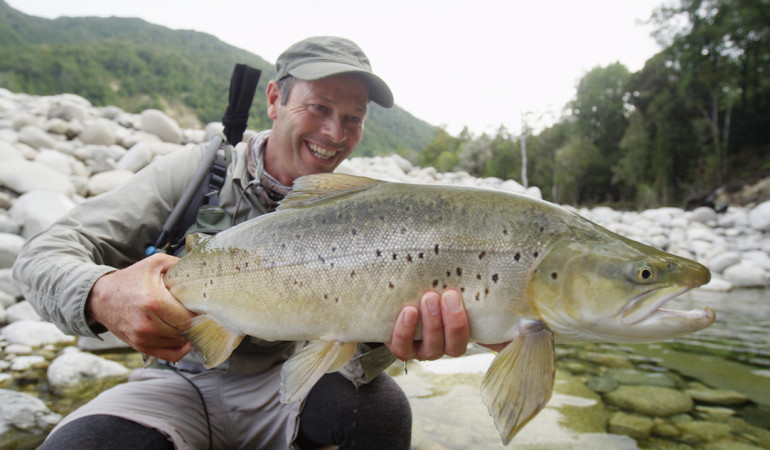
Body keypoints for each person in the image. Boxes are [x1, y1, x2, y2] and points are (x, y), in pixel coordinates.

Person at [13, 36, 488, 449]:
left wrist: (392, 343)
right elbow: (40, 255)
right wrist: (101, 294)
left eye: (353, 119)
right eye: (319, 108)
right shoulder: (195, 174)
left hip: (286, 383)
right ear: (275, 98)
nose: (334, 134)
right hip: (179, 380)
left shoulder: (365, 209)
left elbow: (354, 357)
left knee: (381, 408)